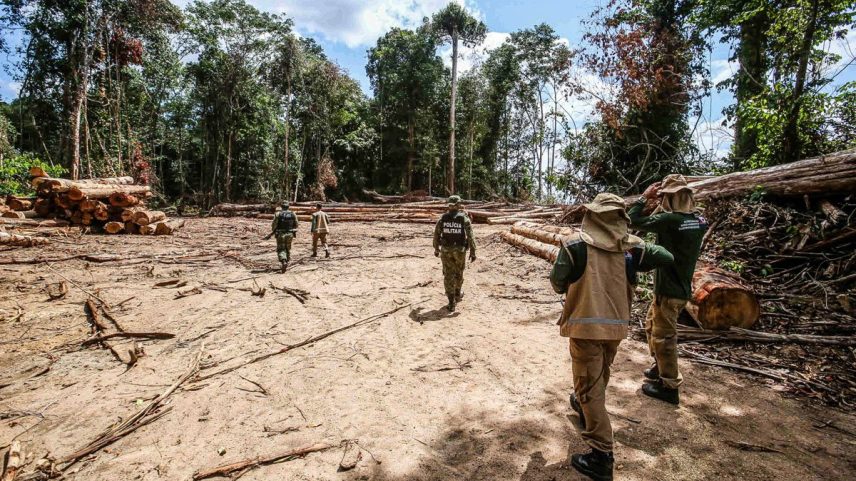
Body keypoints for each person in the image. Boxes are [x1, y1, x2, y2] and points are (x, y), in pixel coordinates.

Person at [550, 193, 674, 481]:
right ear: (621, 219)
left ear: (592, 215)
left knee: (588, 386)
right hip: (616, 327)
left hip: (585, 327)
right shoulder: (631, 249)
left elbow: (558, 283)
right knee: (600, 373)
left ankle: (601, 455)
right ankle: (584, 406)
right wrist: (635, 244)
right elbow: (666, 256)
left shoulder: (574, 245)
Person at [628, 174, 708, 405]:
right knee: (652, 325)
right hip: (679, 286)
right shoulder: (699, 221)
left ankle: (669, 386)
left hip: (669, 289)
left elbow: (633, 221)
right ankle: (658, 366)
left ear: (671, 198)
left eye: (665, 196)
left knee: (664, 337)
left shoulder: (670, 220)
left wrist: (644, 198)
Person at [433, 195, 476, 312]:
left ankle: (451, 302)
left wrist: (436, 248)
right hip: (460, 251)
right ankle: (457, 293)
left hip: (446, 251)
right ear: (458, 205)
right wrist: (473, 251)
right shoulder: (464, 218)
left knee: (448, 275)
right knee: (459, 272)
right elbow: (471, 236)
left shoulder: (443, 218)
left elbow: (436, 234)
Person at [270, 201, 298, 272]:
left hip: (281, 233)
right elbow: (296, 224)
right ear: (288, 207)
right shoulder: (293, 214)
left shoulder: (278, 214)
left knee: (281, 248)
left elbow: (274, 224)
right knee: (288, 248)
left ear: (281, 207)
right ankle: (287, 261)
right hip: (290, 233)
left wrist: (274, 231)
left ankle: (283, 261)